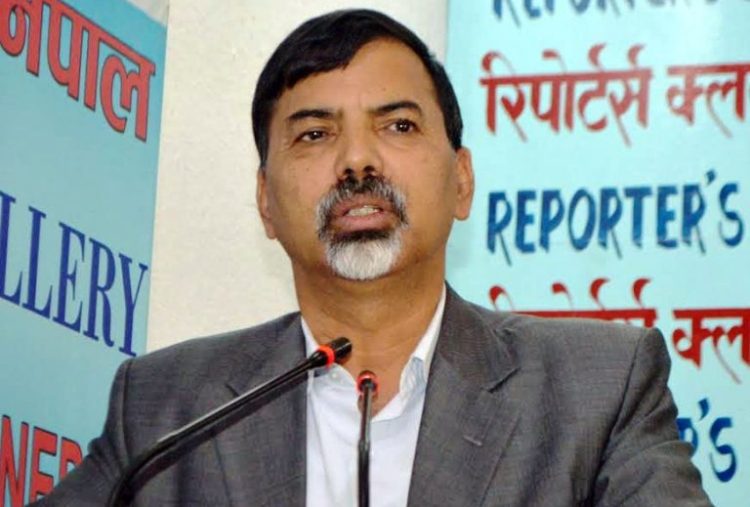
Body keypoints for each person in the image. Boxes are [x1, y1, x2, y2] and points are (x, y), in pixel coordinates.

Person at [36, 9, 712, 506]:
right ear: (266, 202)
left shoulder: (598, 388)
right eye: (314, 134)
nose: (357, 160)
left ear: (462, 181)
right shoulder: (165, 407)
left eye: (398, 125)